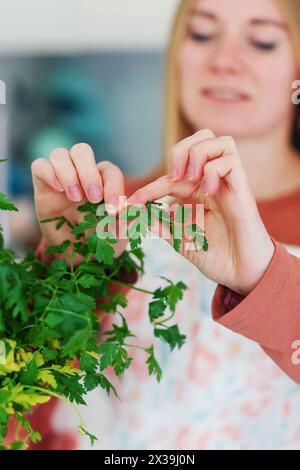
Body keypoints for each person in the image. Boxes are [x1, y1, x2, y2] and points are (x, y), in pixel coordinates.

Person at [29, 0, 300, 450]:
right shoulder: (107, 208)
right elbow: (22, 426)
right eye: (201, 34)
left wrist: (263, 279)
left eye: (262, 40)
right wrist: (68, 273)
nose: (224, 61)